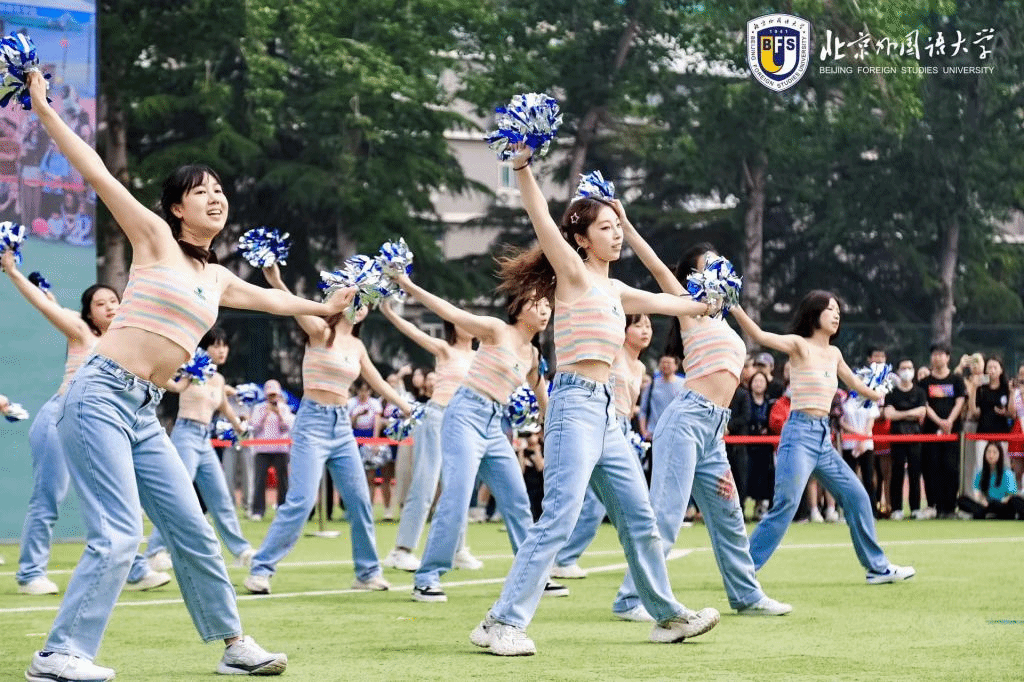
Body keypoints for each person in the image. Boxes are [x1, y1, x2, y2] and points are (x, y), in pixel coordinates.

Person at [21, 70, 355, 678]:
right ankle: (58, 653)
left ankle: (234, 645)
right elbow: (96, 173)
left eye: (220, 190)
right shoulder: (154, 239)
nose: (215, 197)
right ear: (177, 208)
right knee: (119, 534)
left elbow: (273, 301)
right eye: (201, 191)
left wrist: (323, 305)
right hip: (98, 396)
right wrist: (44, 111)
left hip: (144, 411)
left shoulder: (216, 277)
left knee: (192, 529)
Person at [472, 147, 721, 657]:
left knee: (639, 517)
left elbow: (677, 303)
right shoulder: (573, 272)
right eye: (605, 228)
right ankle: (501, 622)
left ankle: (667, 616)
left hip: (606, 413)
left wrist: (711, 299)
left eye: (617, 226)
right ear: (582, 239)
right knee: (560, 516)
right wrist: (521, 167)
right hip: (573, 406)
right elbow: (541, 217)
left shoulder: (617, 291)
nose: (615, 234)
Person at [611, 239, 791, 619]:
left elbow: (753, 329)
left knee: (729, 515)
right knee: (666, 516)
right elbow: (658, 268)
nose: (719, 265)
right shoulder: (689, 308)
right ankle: (630, 599)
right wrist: (624, 225)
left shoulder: (723, 318)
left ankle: (747, 595)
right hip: (686, 423)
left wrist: (733, 302)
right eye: (709, 263)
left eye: (720, 260)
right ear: (694, 276)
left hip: (713, 432)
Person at [2, 252, 170, 597]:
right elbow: (43, 306)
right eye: (100, 303)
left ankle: (135, 569)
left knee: (111, 496)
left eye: (113, 301)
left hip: (95, 426)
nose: (109, 307)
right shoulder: (81, 333)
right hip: (59, 418)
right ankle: (30, 574)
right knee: (48, 497)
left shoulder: (126, 344)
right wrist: (12, 271)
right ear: (88, 314)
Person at [243, 263, 412, 595]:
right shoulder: (321, 330)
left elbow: (378, 382)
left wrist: (406, 407)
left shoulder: (357, 347)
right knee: (301, 501)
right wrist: (277, 280)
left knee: (360, 501)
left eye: (365, 301)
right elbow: (293, 307)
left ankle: (367, 572)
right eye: (355, 297)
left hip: (341, 426)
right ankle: (261, 569)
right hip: (312, 423)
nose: (360, 305)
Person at [732, 290, 915, 584]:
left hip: (822, 438)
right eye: (830, 309)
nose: (836, 314)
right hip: (798, 434)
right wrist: (733, 305)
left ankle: (877, 568)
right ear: (814, 313)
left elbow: (856, 385)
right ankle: (742, 570)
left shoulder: (835, 354)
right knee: (786, 506)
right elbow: (759, 335)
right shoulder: (799, 345)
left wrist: (880, 391)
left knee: (857, 497)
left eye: (838, 310)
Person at [396, 271, 551, 603]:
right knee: (457, 496)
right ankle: (427, 577)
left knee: (517, 499)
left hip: (495, 425)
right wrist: (408, 286)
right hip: (465, 413)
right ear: (518, 307)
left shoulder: (532, 356)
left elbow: (542, 397)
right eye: (536, 303)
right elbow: (449, 312)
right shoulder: (497, 330)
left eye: (547, 305)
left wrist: (551, 424)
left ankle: (532, 574)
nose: (544, 310)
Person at [379, 300, 482, 573]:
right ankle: (401, 550)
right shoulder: (445, 350)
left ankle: (458, 550)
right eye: (461, 319)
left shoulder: (481, 356)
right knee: (424, 484)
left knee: (458, 487)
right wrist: (389, 312)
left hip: (463, 422)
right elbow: (414, 332)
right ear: (452, 325)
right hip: (437, 418)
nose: (468, 324)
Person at [552, 313, 653, 580]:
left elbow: (631, 407)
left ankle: (643, 566)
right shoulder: (615, 352)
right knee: (593, 504)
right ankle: (563, 559)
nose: (645, 331)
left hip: (623, 430)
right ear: (624, 329)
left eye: (648, 326)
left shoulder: (640, 368)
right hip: (601, 423)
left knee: (640, 500)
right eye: (638, 325)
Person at [145, 327, 253, 572]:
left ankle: (241, 550)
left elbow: (224, 406)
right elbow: (171, 382)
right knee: (178, 494)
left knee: (221, 497)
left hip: (205, 439)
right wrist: (185, 375)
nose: (222, 350)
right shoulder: (190, 368)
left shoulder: (219, 380)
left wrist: (239, 427)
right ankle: (155, 552)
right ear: (205, 349)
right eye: (216, 345)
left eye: (224, 345)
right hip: (186, 435)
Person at [919, 344, 966, 519]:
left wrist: (949, 421)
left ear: (948, 357)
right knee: (932, 468)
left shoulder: (956, 380)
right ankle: (934, 506)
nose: (937, 357)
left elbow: (960, 402)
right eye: (934, 354)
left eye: (941, 354)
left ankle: (950, 507)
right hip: (931, 432)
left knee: (951, 468)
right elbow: (924, 405)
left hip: (952, 432)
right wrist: (939, 422)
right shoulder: (924, 382)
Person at [883, 359, 927, 520]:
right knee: (897, 472)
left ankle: (915, 508)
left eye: (909, 368)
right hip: (897, 436)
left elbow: (922, 412)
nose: (906, 371)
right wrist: (910, 413)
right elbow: (888, 414)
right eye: (903, 368)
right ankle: (897, 508)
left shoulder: (920, 392)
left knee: (915, 472)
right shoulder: (892, 393)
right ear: (898, 371)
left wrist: (900, 414)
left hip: (915, 436)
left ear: (914, 370)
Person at [247, 380, 294, 521]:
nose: (272, 398)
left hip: (281, 449)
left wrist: (279, 414)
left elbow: (287, 427)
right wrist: (265, 415)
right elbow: (254, 427)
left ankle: (282, 508)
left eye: (274, 395)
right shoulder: (258, 408)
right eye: (270, 395)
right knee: (259, 480)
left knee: (283, 480)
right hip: (262, 449)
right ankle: (258, 510)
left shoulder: (284, 408)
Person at [968, 357, 1010, 484]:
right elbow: (974, 412)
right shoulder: (982, 389)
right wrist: (973, 388)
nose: (992, 370)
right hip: (983, 433)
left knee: (1004, 467)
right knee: (981, 466)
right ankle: (981, 492)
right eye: (989, 367)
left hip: (1002, 434)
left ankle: (1003, 493)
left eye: (995, 367)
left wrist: (1005, 412)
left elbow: (1012, 413)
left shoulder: (1006, 388)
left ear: (1001, 370)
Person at [956, 442, 1024, 519]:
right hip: (987, 505)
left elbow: (1011, 495)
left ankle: (990, 514)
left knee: (1015, 501)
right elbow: (977, 493)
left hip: (1002, 504)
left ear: (1000, 455)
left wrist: (1002, 501)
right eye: (989, 452)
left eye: (994, 452)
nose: (991, 455)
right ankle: (986, 514)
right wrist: (982, 500)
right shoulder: (980, 473)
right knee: (962, 500)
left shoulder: (1008, 473)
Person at [746, 371, 776, 520]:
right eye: (755, 381)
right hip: (747, 445)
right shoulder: (746, 400)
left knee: (764, 478)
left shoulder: (770, 403)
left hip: (765, 446)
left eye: (761, 381)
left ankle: (760, 508)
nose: (758, 384)